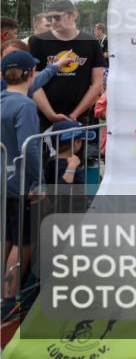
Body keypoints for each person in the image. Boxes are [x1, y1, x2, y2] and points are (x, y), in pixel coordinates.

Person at [1, 50, 43, 319]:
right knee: (22, 240)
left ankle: (3, 295)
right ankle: (9, 300)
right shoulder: (26, 106)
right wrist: (38, 181)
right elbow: (31, 147)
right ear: (30, 74)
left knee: (5, 237)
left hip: (3, 182)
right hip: (20, 184)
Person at [27, 0, 105, 129]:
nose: (52, 21)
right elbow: (33, 81)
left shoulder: (90, 42)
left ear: (73, 15)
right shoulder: (38, 41)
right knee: (44, 149)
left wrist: (74, 115)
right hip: (44, 117)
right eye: (49, 17)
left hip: (79, 116)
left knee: (79, 149)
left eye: (57, 17)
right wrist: (51, 115)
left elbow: (97, 83)